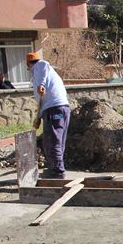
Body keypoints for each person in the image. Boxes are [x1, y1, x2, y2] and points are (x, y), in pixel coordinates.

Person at [27, 51, 70, 179]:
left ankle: (57, 171)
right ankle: (55, 168)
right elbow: (42, 100)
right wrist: (39, 117)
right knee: (58, 141)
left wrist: (41, 84)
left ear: (28, 64)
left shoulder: (40, 66)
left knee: (53, 141)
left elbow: (43, 66)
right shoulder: (48, 74)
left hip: (54, 109)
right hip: (61, 108)